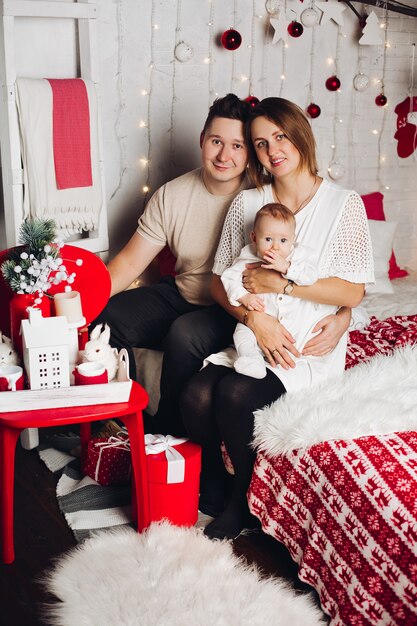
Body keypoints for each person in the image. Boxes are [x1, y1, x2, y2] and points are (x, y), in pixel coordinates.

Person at [181, 97, 374, 541]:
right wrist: (253, 318)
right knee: (195, 395)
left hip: (303, 346)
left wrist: (283, 287)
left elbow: (353, 291)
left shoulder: (343, 205)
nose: (273, 151)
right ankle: (216, 478)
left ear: (300, 134)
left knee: (233, 393)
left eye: (281, 137)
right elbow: (217, 283)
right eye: (261, 143)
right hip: (256, 331)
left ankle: (242, 503)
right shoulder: (249, 203)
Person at [92, 94, 251, 436]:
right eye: (217, 142)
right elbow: (131, 261)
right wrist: (84, 300)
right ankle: (124, 417)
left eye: (237, 145)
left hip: (230, 306)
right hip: (182, 294)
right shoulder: (172, 194)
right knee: (106, 316)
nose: (225, 155)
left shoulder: (258, 197)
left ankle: (166, 432)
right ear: (202, 142)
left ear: (250, 151)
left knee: (184, 335)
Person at [221, 202, 318, 379]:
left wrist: (287, 267)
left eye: (283, 240)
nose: (275, 246)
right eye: (268, 239)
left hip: (291, 323)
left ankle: (285, 359)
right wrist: (243, 296)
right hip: (257, 320)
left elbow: (311, 276)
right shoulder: (248, 254)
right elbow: (228, 277)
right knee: (241, 333)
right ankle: (252, 361)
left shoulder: (297, 256)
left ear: (292, 240)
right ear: (254, 237)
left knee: (296, 338)